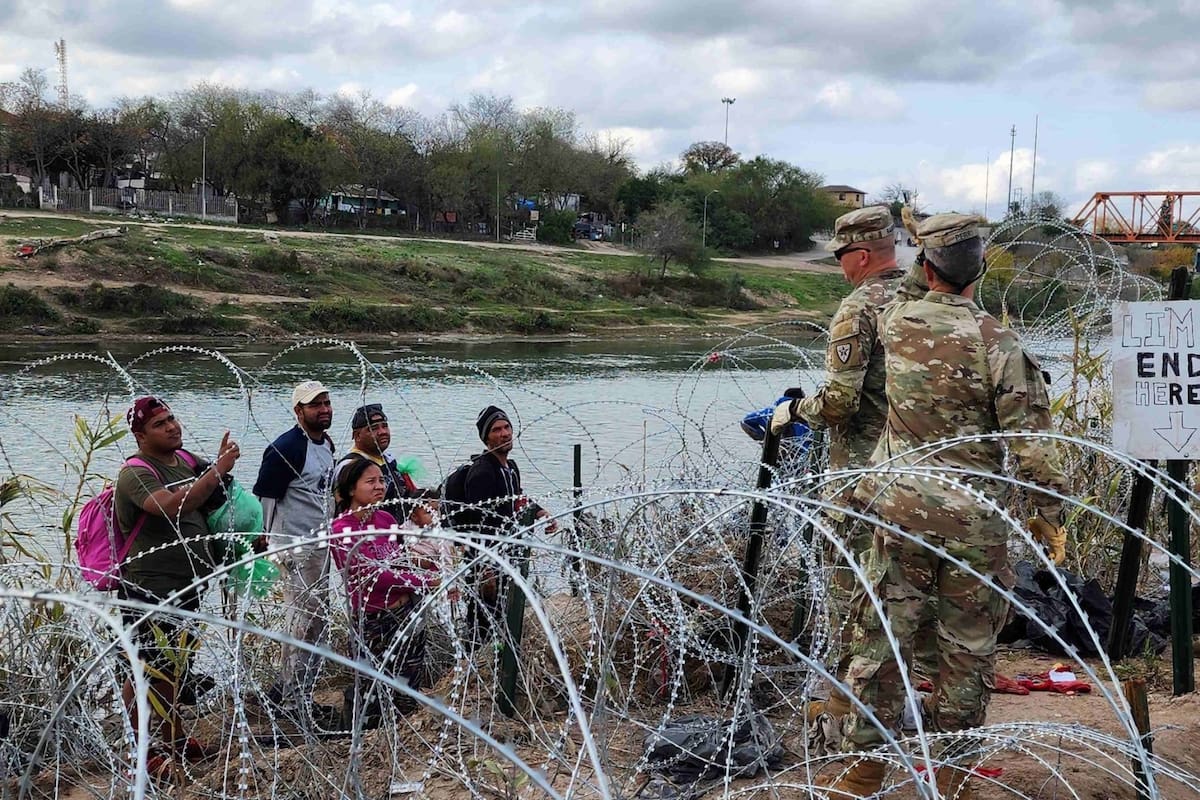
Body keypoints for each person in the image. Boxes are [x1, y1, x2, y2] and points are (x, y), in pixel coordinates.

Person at [825, 214, 1070, 798]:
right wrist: (1047, 517)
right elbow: (1033, 450)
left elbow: (902, 288)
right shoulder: (999, 342)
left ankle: (863, 768)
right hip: (972, 522)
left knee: (881, 636)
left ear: (926, 266)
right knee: (967, 647)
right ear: (980, 270)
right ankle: (955, 769)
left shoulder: (893, 320)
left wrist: (916, 240)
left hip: (897, 507)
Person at [768, 206, 909, 722]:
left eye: (842, 256)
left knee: (850, 589)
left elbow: (839, 403)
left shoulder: (859, 307)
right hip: (921, 470)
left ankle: (848, 709)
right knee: (910, 590)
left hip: (860, 472)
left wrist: (791, 412)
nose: (840, 266)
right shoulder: (927, 300)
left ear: (864, 254)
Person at [114, 395, 241, 770]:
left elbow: (217, 494)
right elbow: (169, 506)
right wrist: (216, 470)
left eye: (171, 419)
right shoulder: (136, 472)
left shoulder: (185, 461)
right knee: (145, 667)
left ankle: (173, 738)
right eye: (159, 424)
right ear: (139, 435)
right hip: (147, 585)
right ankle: (141, 751)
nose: (172, 427)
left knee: (174, 665)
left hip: (187, 582)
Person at [252, 380, 338, 726]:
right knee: (302, 623)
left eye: (327, 403)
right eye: (315, 405)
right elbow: (267, 497)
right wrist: (267, 538)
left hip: (320, 543)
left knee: (316, 622)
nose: (324, 409)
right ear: (298, 411)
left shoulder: (325, 444)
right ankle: (291, 699)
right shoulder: (287, 447)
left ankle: (293, 689)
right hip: (295, 546)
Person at [331, 461, 439, 727]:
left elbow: (399, 561)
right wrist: (423, 581)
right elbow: (371, 575)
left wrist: (427, 563)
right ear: (351, 489)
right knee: (374, 691)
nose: (379, 486)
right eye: (370, 482)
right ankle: (367, 743)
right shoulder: (342, 530)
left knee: (409, 686)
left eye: (381, 480)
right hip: (374, 621)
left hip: (406, 613)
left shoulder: (386, 520)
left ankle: (402, 740)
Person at [462, 405, 556, 647]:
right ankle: (475, 671)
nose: (504, 433)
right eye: (496, 430)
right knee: (483, 621)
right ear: (486, 437)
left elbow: (516, 498)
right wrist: (484, 568)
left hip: (507, 555)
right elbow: (476, 523)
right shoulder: (482, 472)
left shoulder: (510, 468)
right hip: (487, 560)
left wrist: (539, 511)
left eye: (506, 427)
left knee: (504, 616)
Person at [332, 403, 419, 505]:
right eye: (374, 428)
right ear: (357, 435)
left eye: (385, 426)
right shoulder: (350, 466)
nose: (382, 432)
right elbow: (342, 506)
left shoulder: (389, 460)